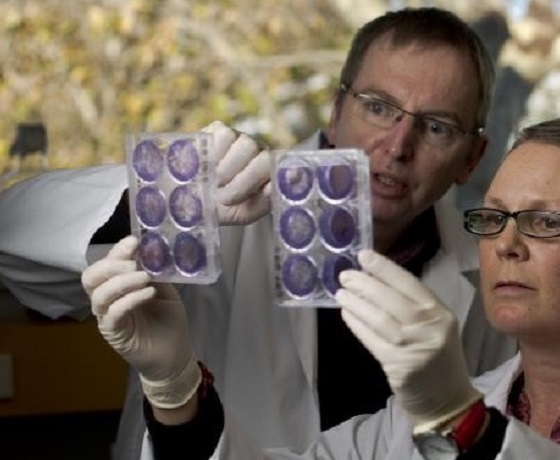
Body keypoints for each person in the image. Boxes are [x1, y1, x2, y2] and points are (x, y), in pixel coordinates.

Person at [83, 117, 560, 459]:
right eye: (493, 216)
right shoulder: (401, 429)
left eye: (546, 221)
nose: (506, 242)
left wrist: (465, 423)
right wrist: (175, 390)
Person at [0, 7, 517, 459]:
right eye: (379, 106)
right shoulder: (229, 211)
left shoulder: (493, 277)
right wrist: (176, 194)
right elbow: (13, 241)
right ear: (337, 113)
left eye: (436, 127)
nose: (398, 145)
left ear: (471, 158)